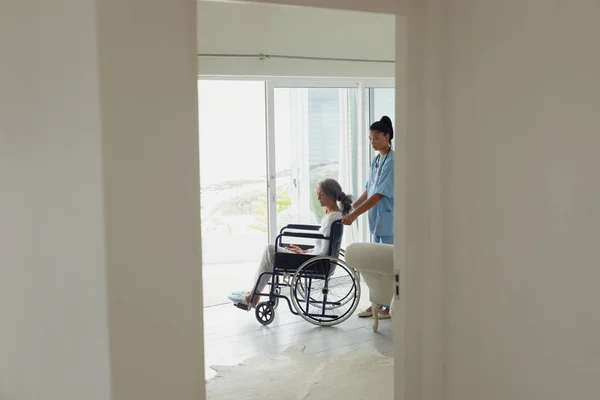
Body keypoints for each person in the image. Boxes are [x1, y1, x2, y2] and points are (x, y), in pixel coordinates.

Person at [228, 178, 354, 309]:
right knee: (272, 252)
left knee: (271, 250)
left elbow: (323, 252)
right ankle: (253, 294)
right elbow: (321, 246)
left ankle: (253, 296)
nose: (317, 198)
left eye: (321, 194)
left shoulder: (333, 218)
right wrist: (304, 251)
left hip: (316, 262)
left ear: (331, 195)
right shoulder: (331, 215)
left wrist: (303, 254)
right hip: (314, 258)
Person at [341, 116, 394, 318]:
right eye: (370, 139)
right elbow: (369, 189)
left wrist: (354, 215)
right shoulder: (376, 160)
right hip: (377, 221)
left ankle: (390, 306)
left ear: (387, 136)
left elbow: (379, 194)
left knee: (389, 266)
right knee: (376, 266)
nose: (372, 142)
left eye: (376, 138)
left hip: (389, 221)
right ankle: (377, 303)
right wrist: (351, 206)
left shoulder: (392, 161)